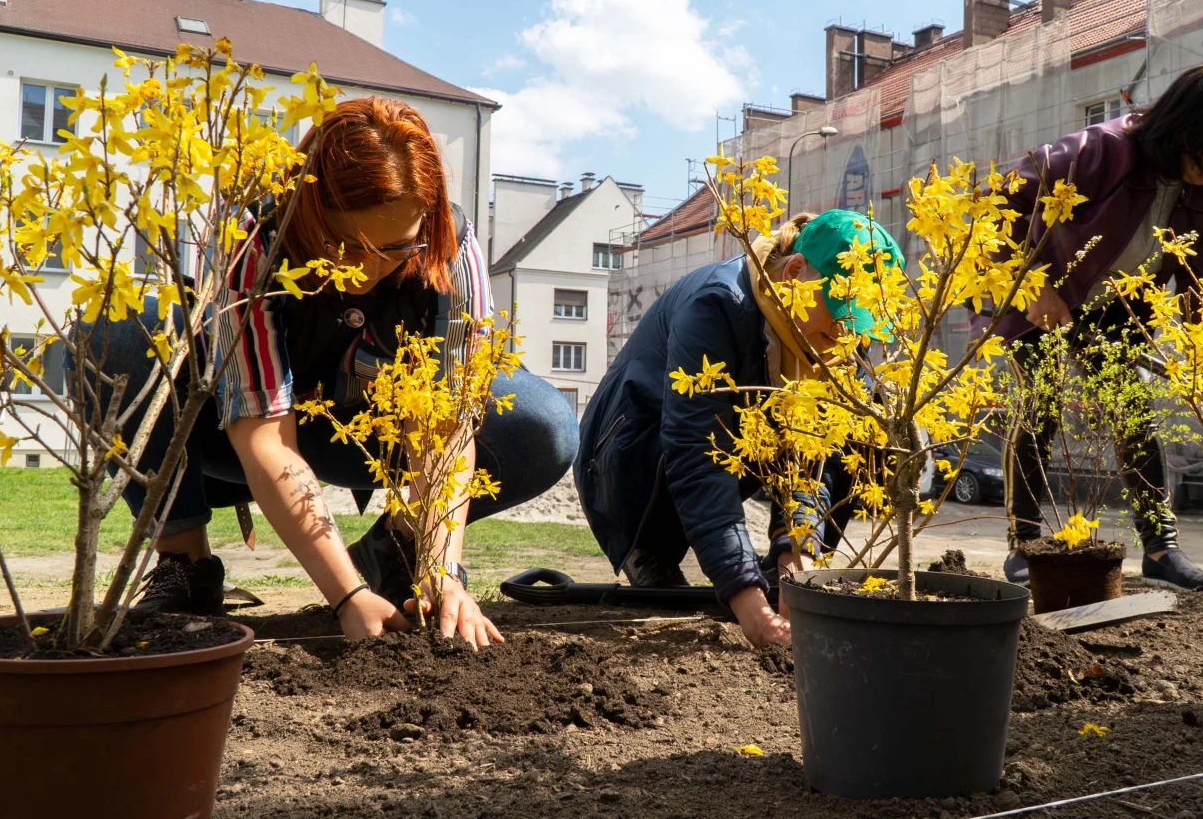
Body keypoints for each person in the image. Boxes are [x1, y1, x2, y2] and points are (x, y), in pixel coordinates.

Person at [76, 97, 579, 644]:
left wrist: (443, 568)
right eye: (345, 246)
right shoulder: (254, 239)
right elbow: (265, 437)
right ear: (310, 213)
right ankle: (186, 566)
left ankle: (399, 549)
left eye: (394, 248)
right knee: (119, 329)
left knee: (542, 420)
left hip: (373, 440)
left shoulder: (449, 247)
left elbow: (445, 429)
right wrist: (347, 595)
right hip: (233, 440)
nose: (367, 270)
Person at [997, 62, 1203, 590]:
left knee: (1134, 414)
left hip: (1117, 307)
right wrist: (1031, 285)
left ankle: (1161, 550)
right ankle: (1024, 542)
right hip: (1041, 291)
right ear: (1188, 127)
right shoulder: (1099, 152)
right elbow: (994, 205)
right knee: (1040, 404)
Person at [574, 208, 904, 648]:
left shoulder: (839, 344)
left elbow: (813, 459)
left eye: (860, 326)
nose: (850, 338)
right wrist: (748, 602)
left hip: (726, 444)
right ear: (794, 274)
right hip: (632, 457)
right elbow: (697, 453)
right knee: (718, 565)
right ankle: (648, 547)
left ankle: (779, 575)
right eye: (842, 316)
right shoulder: (718, 305)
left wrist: (797, 556)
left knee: (861, 423)